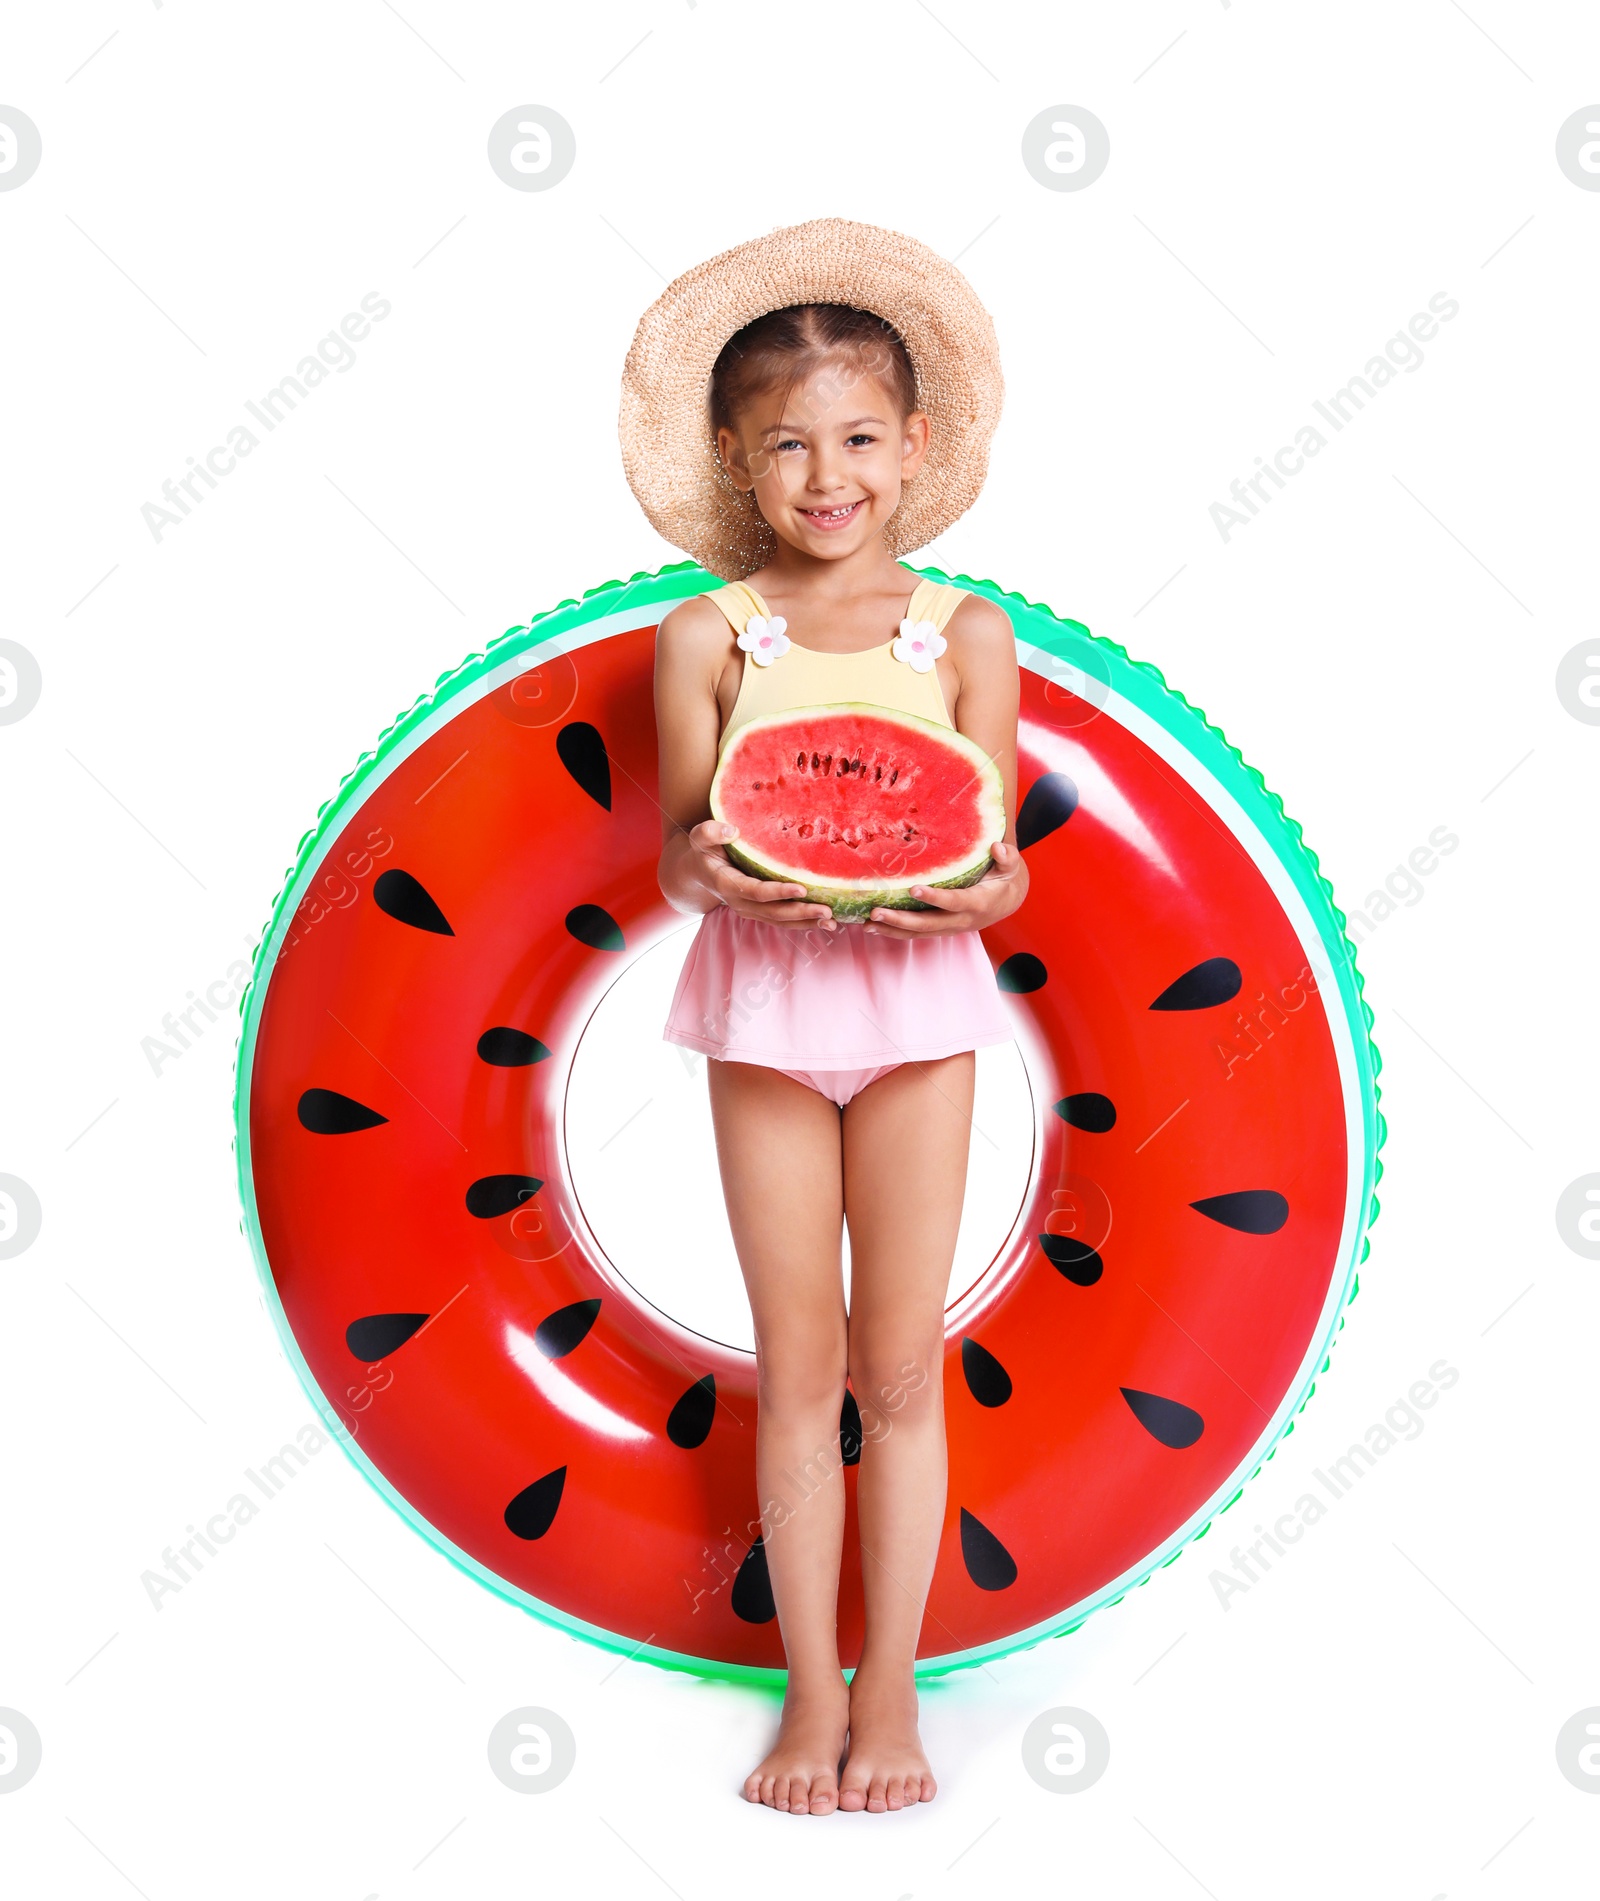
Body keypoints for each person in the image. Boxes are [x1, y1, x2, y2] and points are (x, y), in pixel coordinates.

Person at [622, 219, 1027, 1816]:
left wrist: (978, 893)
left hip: (921, 1004)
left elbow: (998, 859)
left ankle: (898, 1686)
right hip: (767, 1004)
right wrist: (718, 864)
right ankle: (807, 1694)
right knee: (801, 1366)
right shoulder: (708, 635)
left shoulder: (964, 635)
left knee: (900, 1363)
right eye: (785, 444)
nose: (824, 472)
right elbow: (674, 847)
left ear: (913, 447)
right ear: (738, 458)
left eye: (858, 436)